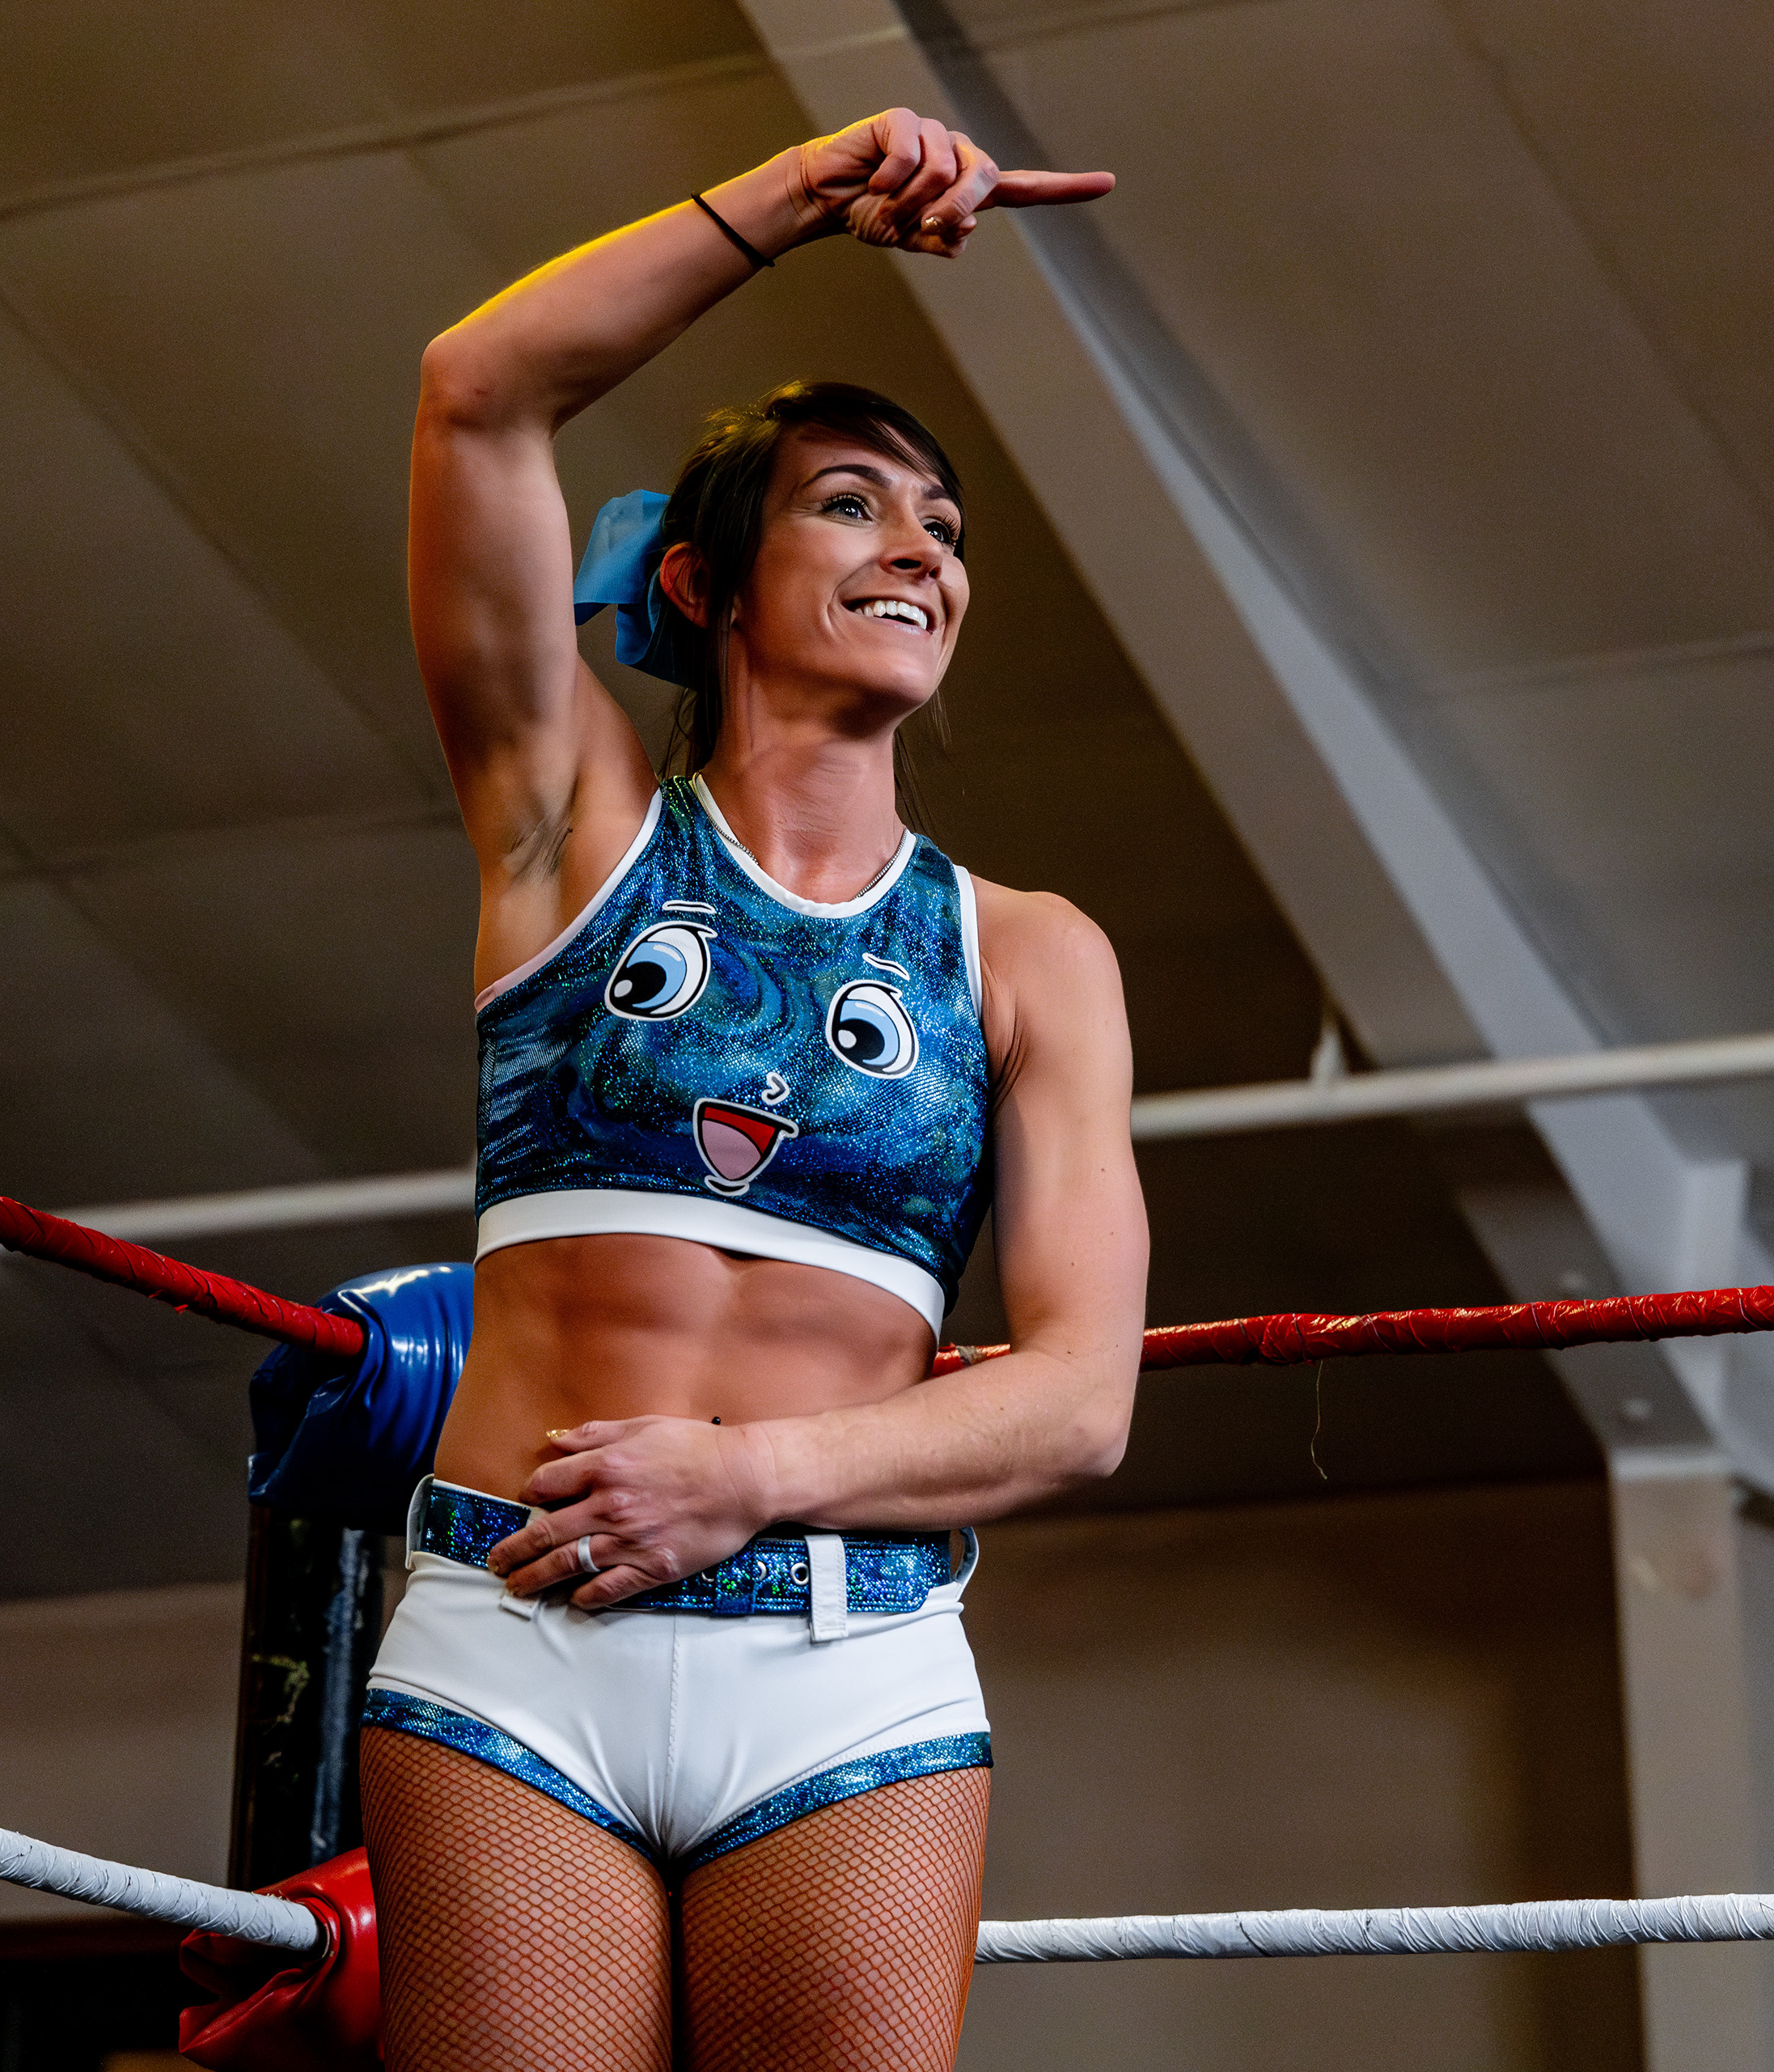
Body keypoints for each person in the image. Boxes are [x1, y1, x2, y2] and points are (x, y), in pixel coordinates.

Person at [356, 108, 1144, 2072]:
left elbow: (1083, 1399)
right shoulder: (574, 831)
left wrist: (746, 1479)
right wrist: (806, 193)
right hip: (517, 1639)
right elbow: (476, 392)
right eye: (851, 506)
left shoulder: (1029, 951)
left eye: (943, 528)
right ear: (707, 583)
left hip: (846, 1661)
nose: (920, 550)